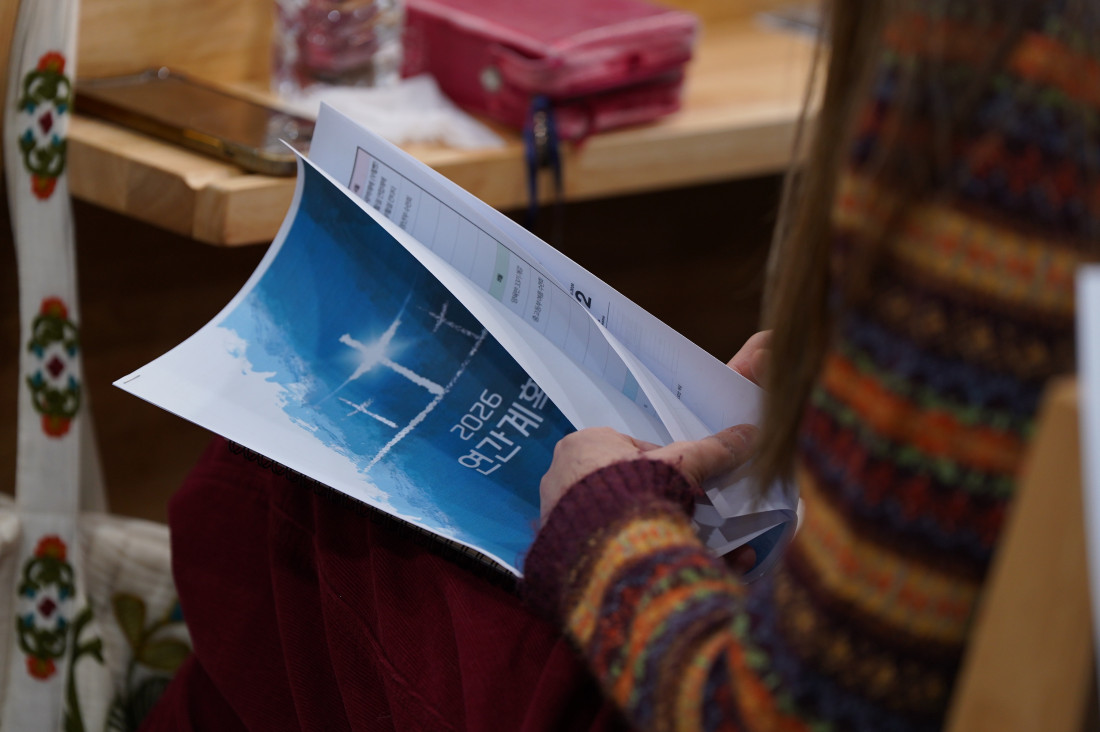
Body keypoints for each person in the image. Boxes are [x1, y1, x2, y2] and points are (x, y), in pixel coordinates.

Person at [141, 0, 1093, 730]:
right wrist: (871, 416)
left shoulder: (1010, 93)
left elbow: (788, 712)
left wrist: (610, 529)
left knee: (279, 501)